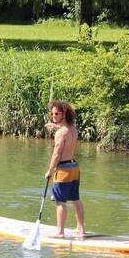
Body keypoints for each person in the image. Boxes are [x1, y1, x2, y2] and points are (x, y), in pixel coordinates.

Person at [44, 100, 85, 238]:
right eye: (52, 113)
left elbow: (57, 153)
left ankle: (60, 232)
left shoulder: (61, 133)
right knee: (76, 199)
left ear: (64, 113)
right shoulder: (73, 129)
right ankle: (81, 230)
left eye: (56, 113)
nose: (53, 116)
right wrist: (54, 126)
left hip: (63, 170)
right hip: (74, 168)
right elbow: (65, 131)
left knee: (60, 201)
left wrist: (50, 170)